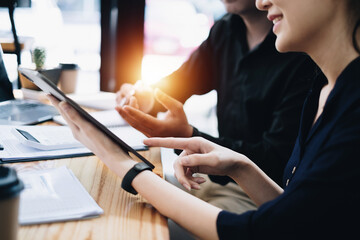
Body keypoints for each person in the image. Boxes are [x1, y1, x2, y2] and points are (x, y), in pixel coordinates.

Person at [48, 0, 360, 238]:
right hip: (228, 187)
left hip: (243, 208)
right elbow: (299, 213)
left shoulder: (340, 98)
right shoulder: (324, 87)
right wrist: (240, 165)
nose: (264, 2)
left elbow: (267, 229)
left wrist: (127, 166)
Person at [115, 0, 316, 214]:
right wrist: (147, 99)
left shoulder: (300, 54)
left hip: (258, 197)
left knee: (140, 221)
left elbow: (275, 160)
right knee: (124, 199)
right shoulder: (227, 29)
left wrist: (188, 136)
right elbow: (181, 82)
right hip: (211, 181)